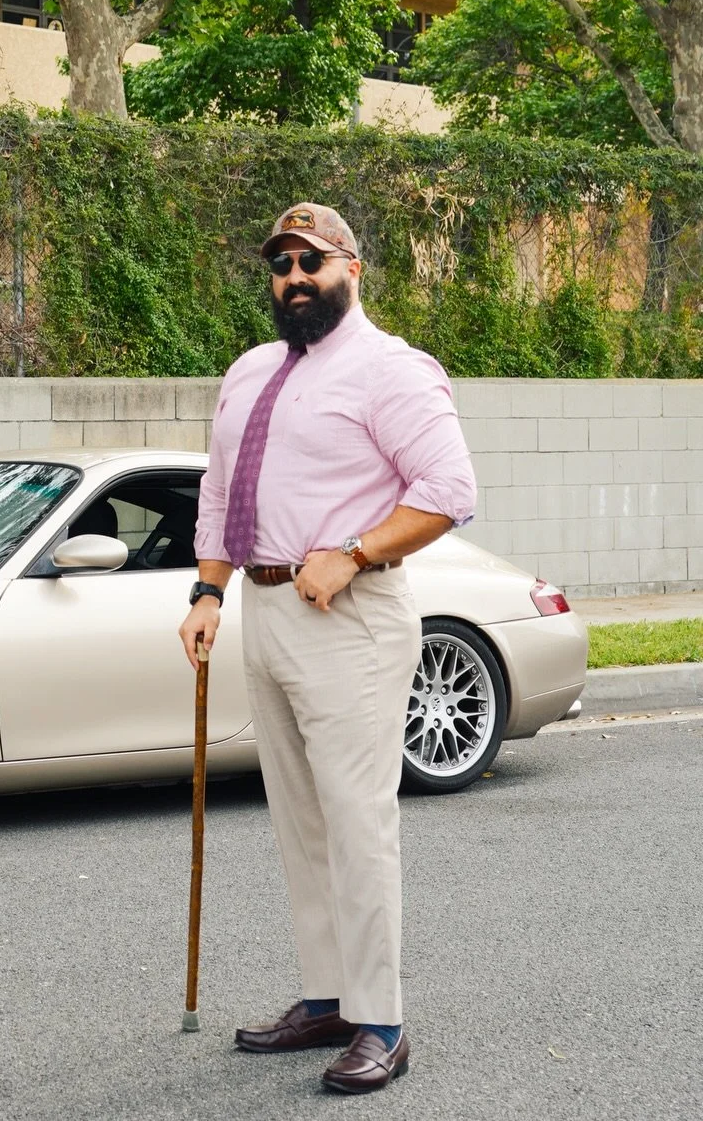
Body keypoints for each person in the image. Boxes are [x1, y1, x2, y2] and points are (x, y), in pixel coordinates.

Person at [178, 202, 476, 1095]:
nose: (295, 277)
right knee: (300, 821)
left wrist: (353, 551)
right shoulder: (249, 370)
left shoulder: (392, 369)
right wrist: (208, 589)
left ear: (352, 268)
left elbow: (449, 487)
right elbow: (221, 490)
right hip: (263, 610)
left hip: (351, 616)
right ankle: (328, 999)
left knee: (356, 821)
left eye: (312, 260)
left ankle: (382, 1022)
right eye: (282, 264)